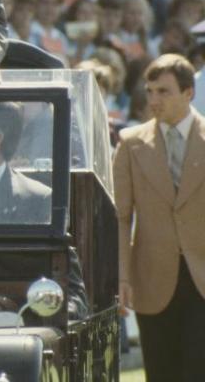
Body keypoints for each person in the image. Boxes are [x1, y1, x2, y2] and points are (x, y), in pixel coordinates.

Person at [114, 54, 205, 382]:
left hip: (203, 278)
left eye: (163, 91)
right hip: (152, 279)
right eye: (150, 91)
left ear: (188, 93)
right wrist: (121, 277)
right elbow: (121, 217)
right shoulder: (130, 143)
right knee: (162, 373)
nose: (153, 100)